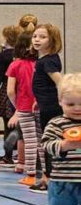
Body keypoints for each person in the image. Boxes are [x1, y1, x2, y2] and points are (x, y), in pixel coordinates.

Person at [41, 73, 81, 205]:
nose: (77, 108)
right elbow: (46, 144)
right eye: (71, 104)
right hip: (62, 182)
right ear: (60, 102)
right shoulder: (56, 123)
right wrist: (64, 145)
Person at [6, 32, 45, 186]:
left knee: (29, 141)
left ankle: (30, 175)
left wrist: (18, 107)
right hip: (42, 105)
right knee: (42, 139)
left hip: (23, 107)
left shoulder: (15, 65)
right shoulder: (42, 63)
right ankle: (46, 173)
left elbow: (10, 91)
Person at [31, 23, 64, 193]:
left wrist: (62, 101)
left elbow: (61, 83)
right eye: (35, 36)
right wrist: (39, 99)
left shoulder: (48, 61)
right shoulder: (45, 59)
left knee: (49, 143)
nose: (37, 39)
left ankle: (49, 179)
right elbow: (46, 84)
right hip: (45, 105)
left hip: (52, 109)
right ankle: (48, 176)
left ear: (52, 40)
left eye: (42, 37)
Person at [0, 25, 23, 167]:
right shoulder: (25, 55)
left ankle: (8, 155)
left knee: (8, 123)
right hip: (23, 89)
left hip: (8, 88)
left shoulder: (4, 55)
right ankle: (20, 154)